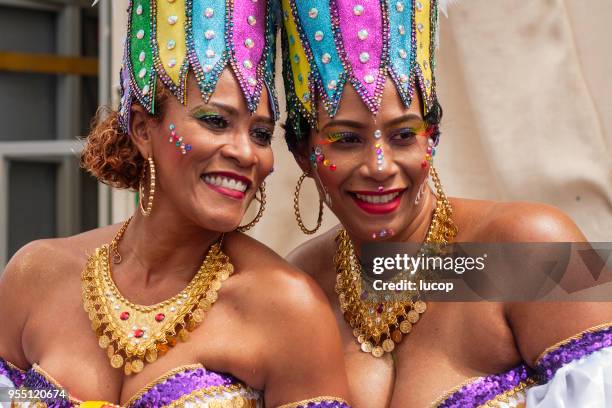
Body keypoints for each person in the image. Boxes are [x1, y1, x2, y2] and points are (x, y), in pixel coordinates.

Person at [0, 0, 351, 406]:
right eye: (215, 121)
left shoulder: (288, 309)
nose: (246, 152)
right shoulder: (35, 275)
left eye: (260, 133)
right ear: (142, 128)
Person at [280, 0, 612, 406]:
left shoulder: (533, 245)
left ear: (431, 137)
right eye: (346, 139)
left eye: (404, 135)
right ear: (302, 153)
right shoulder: (300, 289)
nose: (380, 167)